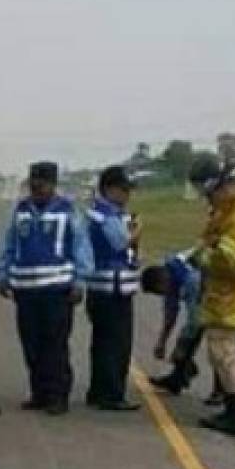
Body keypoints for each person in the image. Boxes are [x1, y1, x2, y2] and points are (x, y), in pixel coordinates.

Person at [0, 161, 94, 415]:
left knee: (55, 345)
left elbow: (81, 247)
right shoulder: (20, 211)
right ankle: (39, 392)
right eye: (33, 185)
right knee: (31, 343)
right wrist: (3, 274)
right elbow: (10, 245)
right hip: (25, 290)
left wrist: (80, 281)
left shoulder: (68, 211)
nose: (36, 190)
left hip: (58, 290)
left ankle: (58, 395)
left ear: (52, 185)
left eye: (41, 185)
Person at [186, 158, 235, 437]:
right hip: (221, 294)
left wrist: (199, 258)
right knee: (219, 354)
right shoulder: (227, 211)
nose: (208, 199)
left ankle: (234, 414)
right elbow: (209, 238)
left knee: (225, 354)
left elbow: (230, 262)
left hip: (230, 296)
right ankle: (231, 409)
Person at [84, 165, 143, 411]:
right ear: (109, 189)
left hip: (107, 288)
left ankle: (99, 391)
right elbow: (120, 243)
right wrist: (138, 231)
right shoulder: (106, 215)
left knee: (103, 343)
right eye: (123, 190)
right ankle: (112, 394)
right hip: (111, 289)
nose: (127, 195)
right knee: (116, 344)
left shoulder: (111, 213)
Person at [144, 253, 202, 395]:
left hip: (223, 299)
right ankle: (179, 377)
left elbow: (196, 321)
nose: (162, 295)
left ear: (162, 282)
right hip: (207, 302)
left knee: (213, 345)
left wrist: (181, 348)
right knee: (184, 344)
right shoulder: (171, 275)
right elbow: (170, 314)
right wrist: (161, 342)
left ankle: (184, 372)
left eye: (160, 292)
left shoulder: (190, 281)